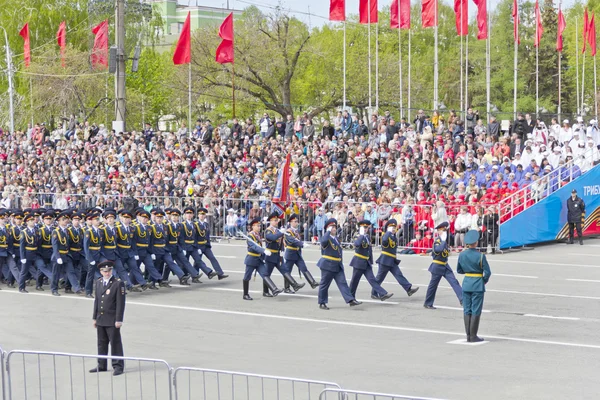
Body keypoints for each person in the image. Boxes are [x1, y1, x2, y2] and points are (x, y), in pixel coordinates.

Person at [90, 261, 126, 376]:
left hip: (111, 319)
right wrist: (94, 318)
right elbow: (97, 301)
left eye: (109, 271)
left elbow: (121, 303)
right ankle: (101, 364)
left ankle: (118, 366)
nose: (107, 273)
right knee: (101, 343)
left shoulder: (117, 283)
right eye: (104, 271)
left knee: (115, 343)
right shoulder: (99, 282)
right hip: (101, 318)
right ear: (100, 272)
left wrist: (119, 319)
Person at [316, 218, 361, 310]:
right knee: (325, 284)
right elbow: (323, 242)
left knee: (342, 283)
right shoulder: (326, 237)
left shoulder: (336, 239)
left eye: (335, 227)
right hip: (328, 264)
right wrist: (327, 232)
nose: (334, 229)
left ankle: (350, 300)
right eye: (332, 227)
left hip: (337, 264)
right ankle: (322, 302)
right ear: (328, 228)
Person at [457, 230, 492, 342]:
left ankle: (468, 335)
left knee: (467, 309)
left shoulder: (462, 254)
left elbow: (459, 270)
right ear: (476, 243)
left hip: (466, 283)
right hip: (477, 284)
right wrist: (483, 281)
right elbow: (487, 272)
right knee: (476, 310)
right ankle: (473, 336)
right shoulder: (481, 256)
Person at [371, 219, 419, 299]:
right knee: (379, 278)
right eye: (391, 227)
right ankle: (374, 293)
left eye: (394, 227)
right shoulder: (385, 235)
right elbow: (385, 241)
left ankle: (408, 289)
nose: (393, 229)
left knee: (399, 275)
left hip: (392, 260)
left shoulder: (393, 237)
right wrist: (388, 232)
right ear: (388, 228)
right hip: (385, 260)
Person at [349, 220, 393, 301]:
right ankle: (350, 298)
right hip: (358, 262)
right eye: (364, 227)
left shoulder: (367, 236)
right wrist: (361, 235)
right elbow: (357, 244)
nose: (366, 229)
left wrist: (371, 261)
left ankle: (383, 294)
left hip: (366, 262)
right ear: (360, 228)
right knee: (354, 282)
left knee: (372, 280)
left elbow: (369, 250)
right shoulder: (357, 236)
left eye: (366, 227)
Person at [423, 222, 463, 309]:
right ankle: (428, 303)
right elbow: (438, 250)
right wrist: (443, 241)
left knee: (454, 282)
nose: (445, 232)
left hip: (445, 265)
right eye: (443, 230)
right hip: (437, 266)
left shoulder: (445, 240)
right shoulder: (438, 240)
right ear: (439, 231)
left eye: (445, 230)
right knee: (433, 286)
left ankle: (462, 299)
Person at [264, 212, 304, 295]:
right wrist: (281, 233)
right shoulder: (268, 231)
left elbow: (281, 242)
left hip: (278, 255)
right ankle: (266, 291)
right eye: (275, 220)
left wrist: (282, 251)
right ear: (270, 221)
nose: (276, 222)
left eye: (277, 220)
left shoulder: (278, 230)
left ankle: (294, 284)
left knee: (285, 270)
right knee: (267, 274)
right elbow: (273, 237)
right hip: (270, 255)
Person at [242, 218, 282, 300]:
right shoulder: (250, 236)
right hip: (252, 259)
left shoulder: (258, 235)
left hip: (259, 259)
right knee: (247, 277)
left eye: (260, 226)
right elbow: (254, 247)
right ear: (253, 226)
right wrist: (264, 251)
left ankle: (274, 289)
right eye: (258, 226)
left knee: (265, 274)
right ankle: (245, 294)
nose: (259, 227)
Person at [283, 214, 319, 289]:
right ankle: (287, 288)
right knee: (287, 271)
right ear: (290, 222)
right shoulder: (288, 232)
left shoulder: (296, 231)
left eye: (297, 221)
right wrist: (302, 244)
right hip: (290, 254)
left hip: (297, 253)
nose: (297, 223)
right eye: (295, 221)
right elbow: (292, 241)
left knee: (303, 268)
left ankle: (312, 282)